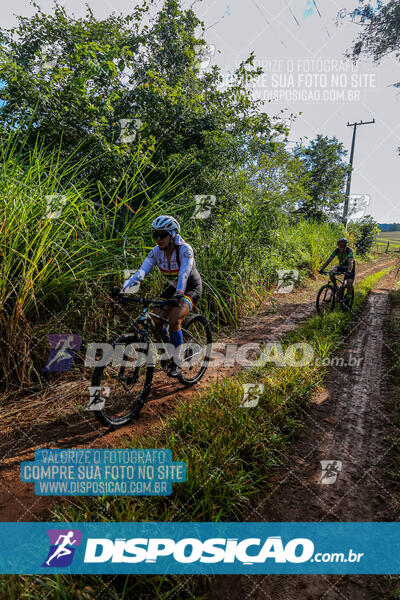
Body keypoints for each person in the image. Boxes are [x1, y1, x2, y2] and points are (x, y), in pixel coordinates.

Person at [120, 215, 202, 377]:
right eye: (155, 235)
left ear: (172, 235)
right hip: (171, 287)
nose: (158, 239)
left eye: (162, 234)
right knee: (156, 321)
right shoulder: (156, 252)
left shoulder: (185, 249)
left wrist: (179, 295)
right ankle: (168, 352)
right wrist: (123, 288)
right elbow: (140, 274)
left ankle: (177, 362)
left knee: (174, 319)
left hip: (190, 287)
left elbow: (184, 275)